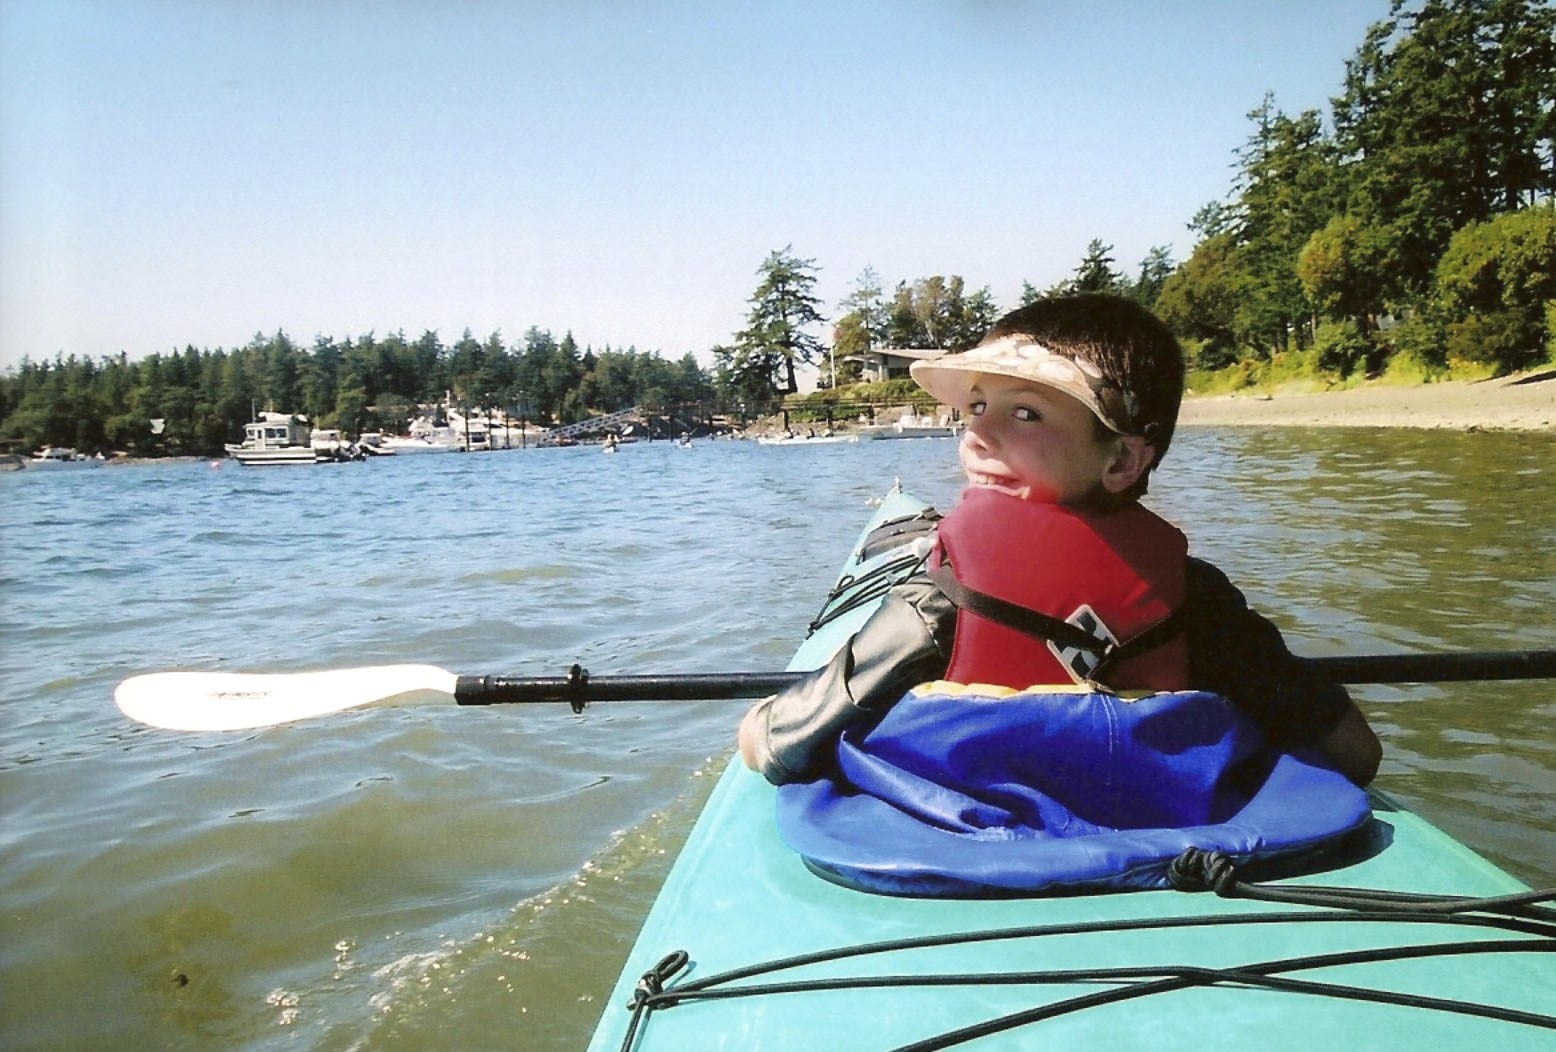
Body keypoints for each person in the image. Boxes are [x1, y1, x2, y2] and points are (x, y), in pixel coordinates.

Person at [738, 293, 1381, 790]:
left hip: (977, 845)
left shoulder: (941, 597)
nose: (977, 436)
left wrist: (757, 722)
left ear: (1124, 460)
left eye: (1025, 413)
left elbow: (776, 747)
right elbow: (1353, 751)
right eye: (977, 407)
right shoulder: (1195, 597)